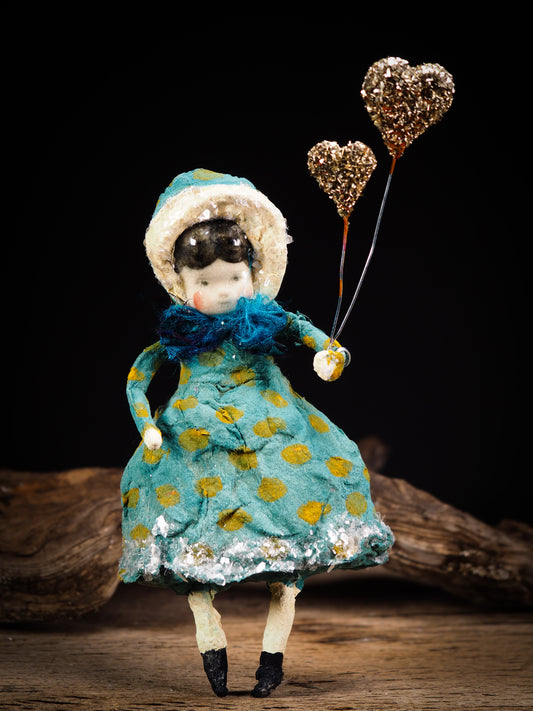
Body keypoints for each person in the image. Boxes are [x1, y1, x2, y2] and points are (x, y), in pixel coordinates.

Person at [120, 169, 393, 697]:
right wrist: (148, 426)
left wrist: (330, 356)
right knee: (188, 530)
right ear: (182, 283)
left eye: (233, 277)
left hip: (276, 431)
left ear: (252, 271)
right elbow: (137, 378)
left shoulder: (266, 320)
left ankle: (273, 656)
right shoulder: (182, 332)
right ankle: (208, 633)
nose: (222, 292)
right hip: (195, 438)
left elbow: (316, 338)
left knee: (292, 536)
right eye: (204, 283)